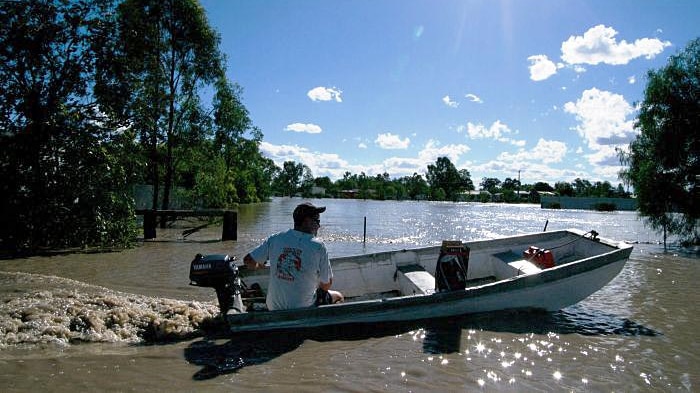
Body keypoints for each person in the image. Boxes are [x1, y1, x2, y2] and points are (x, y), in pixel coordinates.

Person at [243, 202, 343, 311]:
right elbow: (326, 284)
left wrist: (259, 266)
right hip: (303, 308)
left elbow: (248, 260)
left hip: (273, 307)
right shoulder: (318, 246)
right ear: (306, 221)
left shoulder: (275, 238)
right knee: (338, 296)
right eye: (317, 221)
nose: (319, 226)